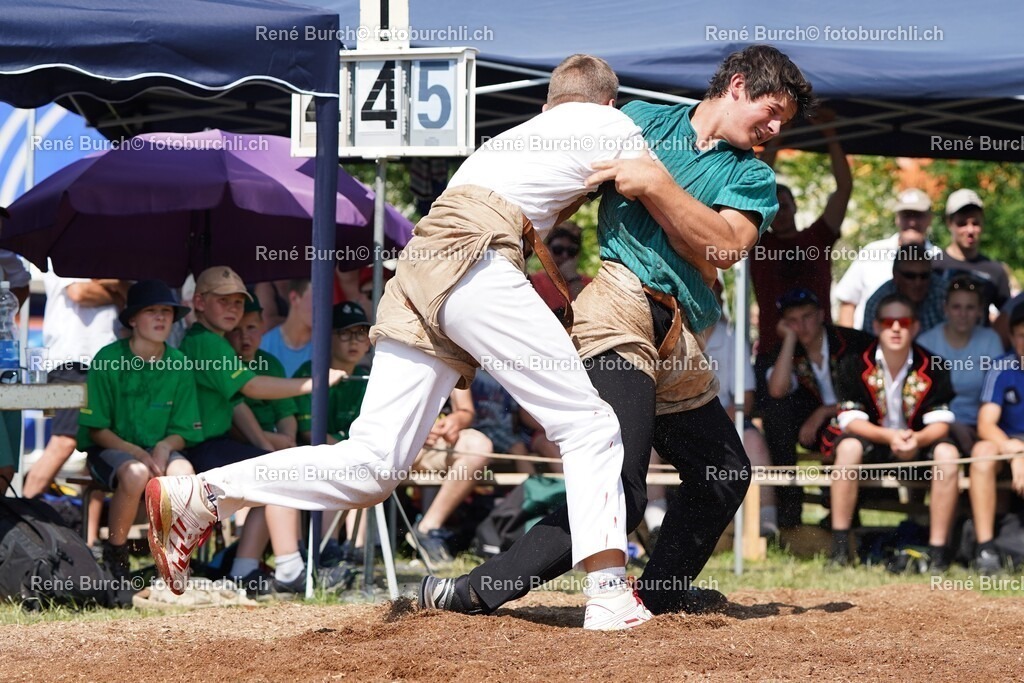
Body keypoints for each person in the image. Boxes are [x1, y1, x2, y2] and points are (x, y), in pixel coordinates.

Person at [147, 53, 699, 629]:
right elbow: (654, 188)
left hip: (420, 265)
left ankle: (203, 493)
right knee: (589, 424)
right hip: (474, 256)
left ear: (545, 106)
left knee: (371, 465)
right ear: (607, 101)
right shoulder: (611, 121)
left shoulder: (509, 142)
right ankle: (609, 596)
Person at [423, 45, 813, 618]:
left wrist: (654, 184)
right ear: (737, 86)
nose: (775, 130)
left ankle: (657, 597)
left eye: (784, 122)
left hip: (679, 331)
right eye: (772, 111)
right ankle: (472, 593)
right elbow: (555, 172)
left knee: (724, 473)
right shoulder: (638, 120)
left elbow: (724, 247)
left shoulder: (753, 175)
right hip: (615, 308)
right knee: (622, 487)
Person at [179, 266, 346, 597]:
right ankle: (290, 570)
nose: (232, 309)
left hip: (209, 445)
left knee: (272, 473)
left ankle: (246, 571)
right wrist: (313, 383)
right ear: (199, 302)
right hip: (200, 448)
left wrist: (265, 445)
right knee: (279, 474)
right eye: (223, 301)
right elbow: (252, 387)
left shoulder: (210, 341)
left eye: (238, 303)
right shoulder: (207, 343)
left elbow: (238, 404)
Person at [79, 280, 201, 579]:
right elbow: (96, 430)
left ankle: (174, 560)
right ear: (132, 319)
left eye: (167, 312)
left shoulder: (179, 363)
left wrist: (164, 446)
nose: (161, 317)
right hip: (109, 449)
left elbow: (185, 429)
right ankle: (116, 556)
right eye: (151, 311)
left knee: (184, 474)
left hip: (156, 449)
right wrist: (138, 453)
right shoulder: (108, 359)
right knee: (135, 473)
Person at [828, 293, 957, 569]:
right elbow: (850, 419)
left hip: (918, 447)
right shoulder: (853, 362)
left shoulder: (934, 365)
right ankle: (839, 551)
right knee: (848, 448)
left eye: (904, 322)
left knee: (948, 454)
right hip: (873, 446)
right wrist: (890, 437)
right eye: (889, 322)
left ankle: (937, 555)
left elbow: (941, 422)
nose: (896, 328)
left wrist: (917, 439)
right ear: (876, 326)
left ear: (915, 326)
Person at [766, 288, 873, 527]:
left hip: (860, 421)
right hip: (817, 429)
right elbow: (777, 390)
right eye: (793, 321)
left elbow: (869, 397)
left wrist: (824, 412)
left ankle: (842, 513)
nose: (801, 326)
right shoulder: (788, 350)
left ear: (821, 315)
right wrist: (790, 340)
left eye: (807, 317)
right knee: (776, 415)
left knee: (845, 437)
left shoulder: (851, 343)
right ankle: (789, 503)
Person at [753, 107, 852, 349]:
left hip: (821, 348)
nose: (780, 214)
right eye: (774, 208)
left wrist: (830, 134)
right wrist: (779, 137)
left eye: (784, 206)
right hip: (774, 349)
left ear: (795, 206)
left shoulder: (817, 237)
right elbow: (755, 189)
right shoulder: (758, 241)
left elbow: (844, 189)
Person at [23, 274, 124, 498]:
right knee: (64, 441)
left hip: (102, 362)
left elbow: (126, 292)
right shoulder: (67, 255)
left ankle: (85, 522)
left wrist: (108, 285)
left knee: (99, 446)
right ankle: (21, 508)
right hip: (71, 360)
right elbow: (79, 292)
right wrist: (117, 289)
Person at [917, 276, 1005, 461]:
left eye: (970, 307)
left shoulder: (991, 340)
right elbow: (921, 398)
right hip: (936, 425)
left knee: (986, 455)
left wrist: (982, 429)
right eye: (956, 307)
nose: (963, 314)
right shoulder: (926, 343)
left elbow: (997, 389)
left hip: (982, 425)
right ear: (945, 309)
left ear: (980, 311)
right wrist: (954, 425)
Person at [968, 302, 1024, 574]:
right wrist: (1014, 452)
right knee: (981, 453)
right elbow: (985, 424)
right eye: (1022, 335)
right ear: (1011, 337)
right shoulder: (1001, 367)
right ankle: (986, 549)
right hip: (1008, 443)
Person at [834, 188, 940, 329]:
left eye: (918, 216)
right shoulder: (872, 252)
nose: (912, 222)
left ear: (929, 219)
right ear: (897, 218)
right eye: (906, 216)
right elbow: (848, 302)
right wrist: (848, 340)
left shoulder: (939, 258)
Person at [226, 297, 298, 451]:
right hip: (241, 442)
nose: (245, 336)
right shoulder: (223, 363)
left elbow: (284, 412)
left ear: (262, 326)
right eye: (236, 330)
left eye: (251, 327)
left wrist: (288, 440)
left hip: (275, 441)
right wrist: (274, 441)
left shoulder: (271, 363)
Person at [930, 188, 1012, 320]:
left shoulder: (995, 271)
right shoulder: (933, 267)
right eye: (962, 224)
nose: (970, 230)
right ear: (949, 223)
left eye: (975, 223)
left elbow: (1008, 316)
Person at [861, 243, 946, 335]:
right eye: (910, 276)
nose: (918, 283)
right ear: (895, 275)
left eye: (924, 276)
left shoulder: (944, 294)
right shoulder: (877, 303)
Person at [0, 243, 30, 495]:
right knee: (3, 468)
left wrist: (5, 308)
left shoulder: (6, 252)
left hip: (6, 363)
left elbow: (22, 283)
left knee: (6, 471)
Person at [529, 221, 592, 320]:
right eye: (558, 250)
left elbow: (589, 315)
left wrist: (573, 279)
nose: (564, 256)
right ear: (546, 250)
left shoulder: (590, 284)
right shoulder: (532, 282)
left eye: (571, 251)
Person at [258, 279, 313, 377]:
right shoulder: (263, 346)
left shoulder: (329, 346)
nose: (324, 307)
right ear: (294, 298)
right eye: (316, 299)